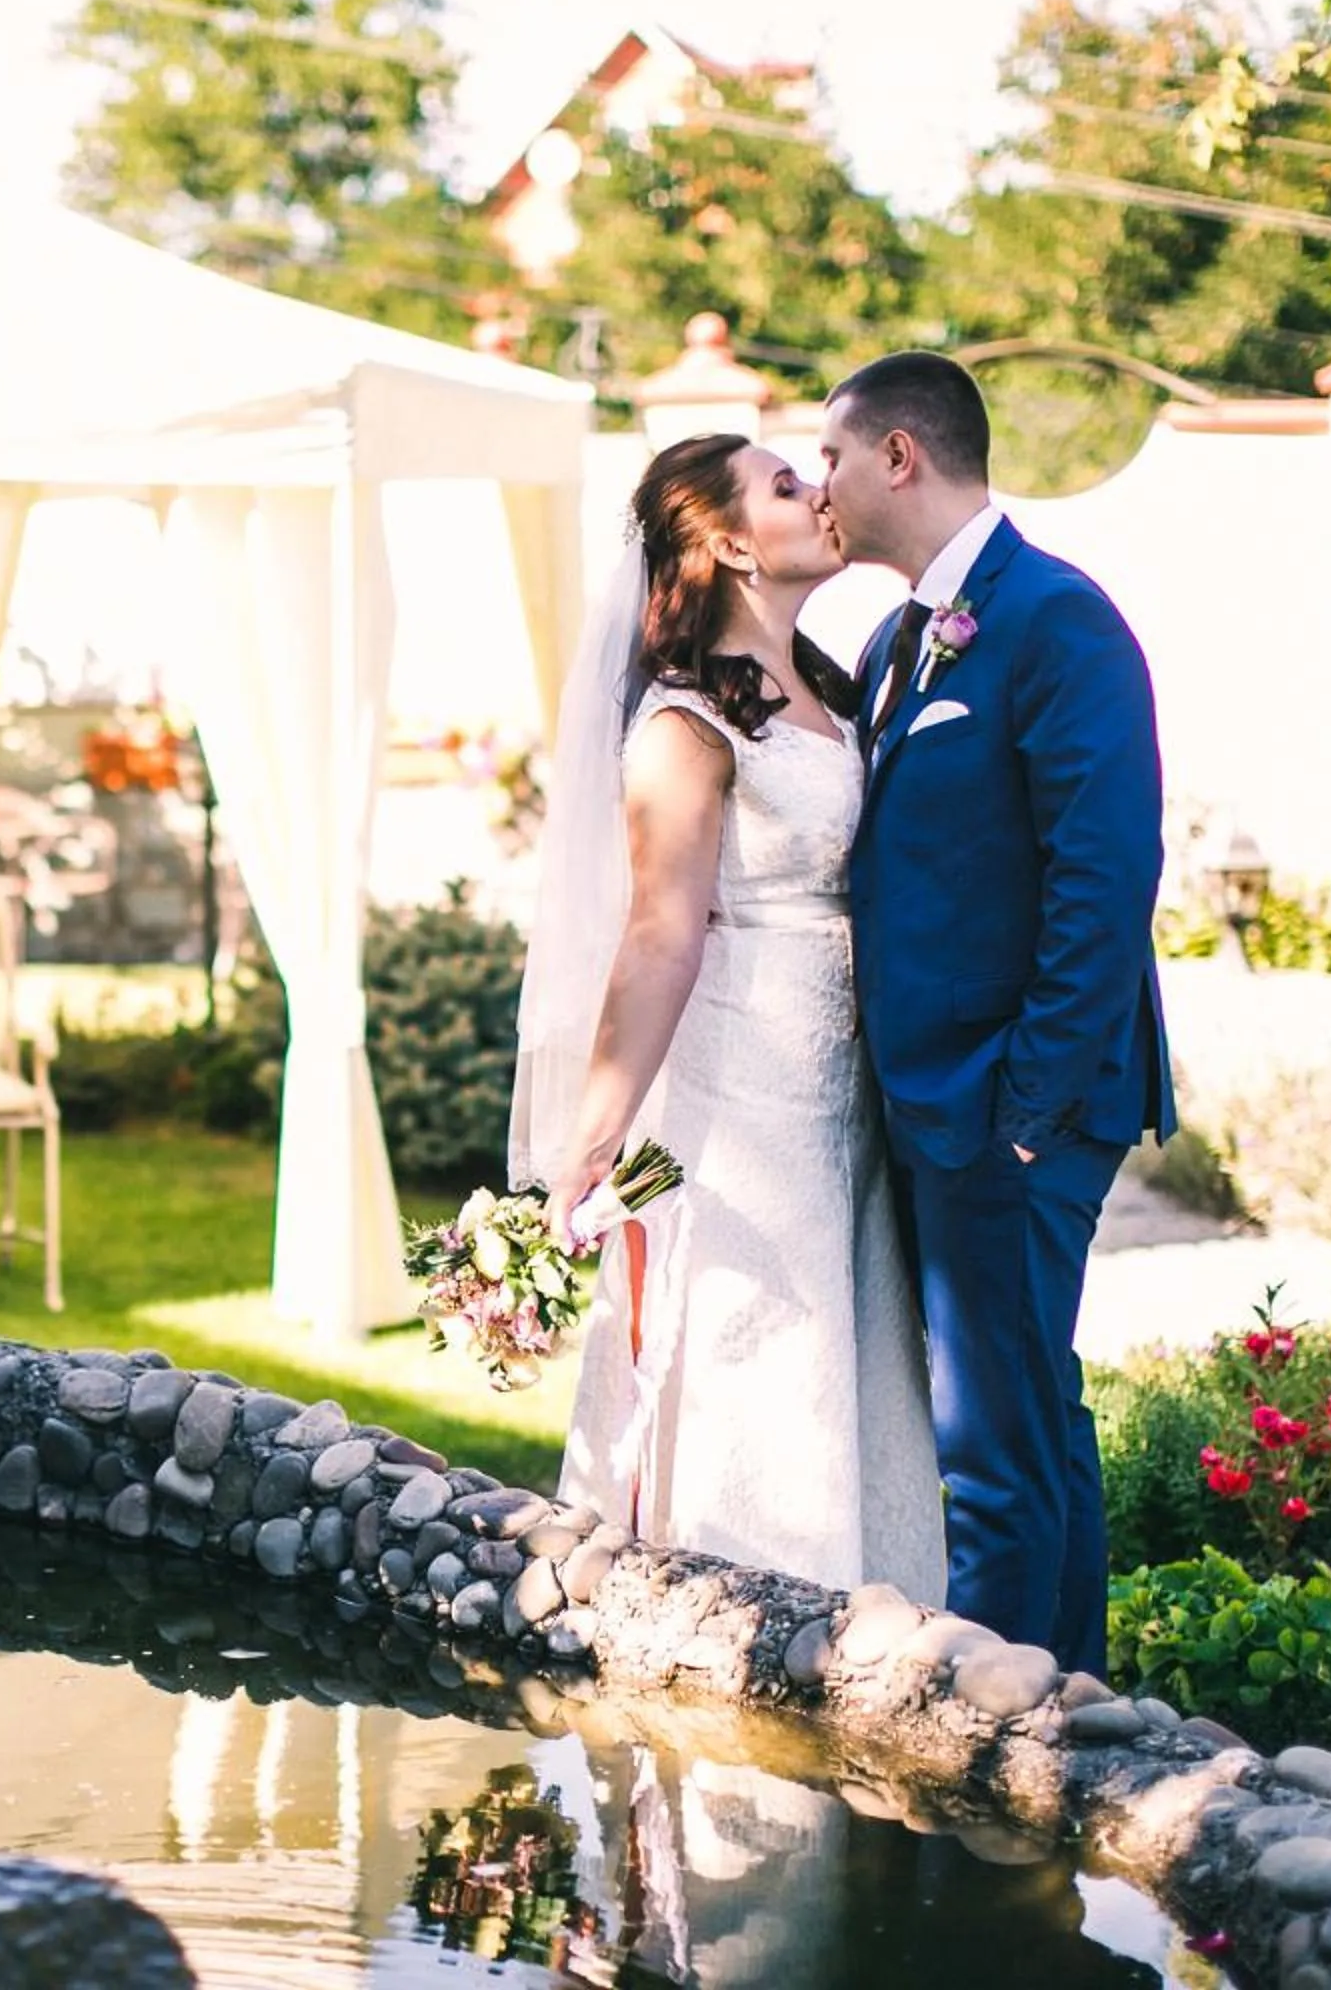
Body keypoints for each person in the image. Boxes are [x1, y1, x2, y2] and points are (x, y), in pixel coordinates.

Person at [512, 432, 944, 1602]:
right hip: (746, 1077)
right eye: (786, 484)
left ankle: (872, 1620)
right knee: (765, 1338)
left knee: (853, 1336)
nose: (820, 491)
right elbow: (660, 934)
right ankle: (752, 1616)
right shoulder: (683, 724)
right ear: (728, 543)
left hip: (848, 1077)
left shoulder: (839, 683)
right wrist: (589, 1143)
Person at [816, 351, 1178, 1678]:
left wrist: (1026, 1106)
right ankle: (1075, 1715)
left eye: (834, 457)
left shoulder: (1057, 619)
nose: (820, 486)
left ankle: (1005, 1748)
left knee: (991, 1445)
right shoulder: (897, 639)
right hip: (940, 1097)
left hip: (1014, 1105)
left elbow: (1105, 878)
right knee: (1029, 1418)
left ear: (901, 456)